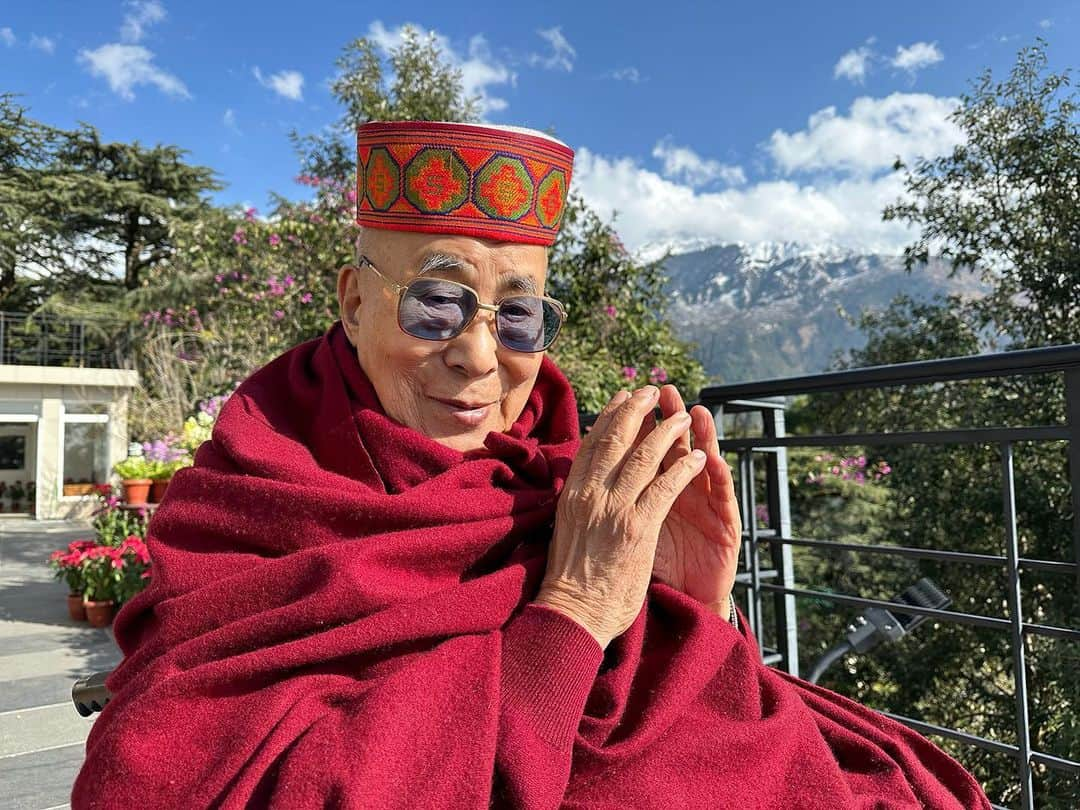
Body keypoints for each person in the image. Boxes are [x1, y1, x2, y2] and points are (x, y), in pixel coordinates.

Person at [71, 121, 991, 809]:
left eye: (517, 316)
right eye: (436, 303)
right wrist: (577, 611)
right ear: (354, 301)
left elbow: (675, 721)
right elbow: (156, 770)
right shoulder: (255, 489)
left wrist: (695, 607)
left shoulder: (561, 478)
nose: (479, 357)